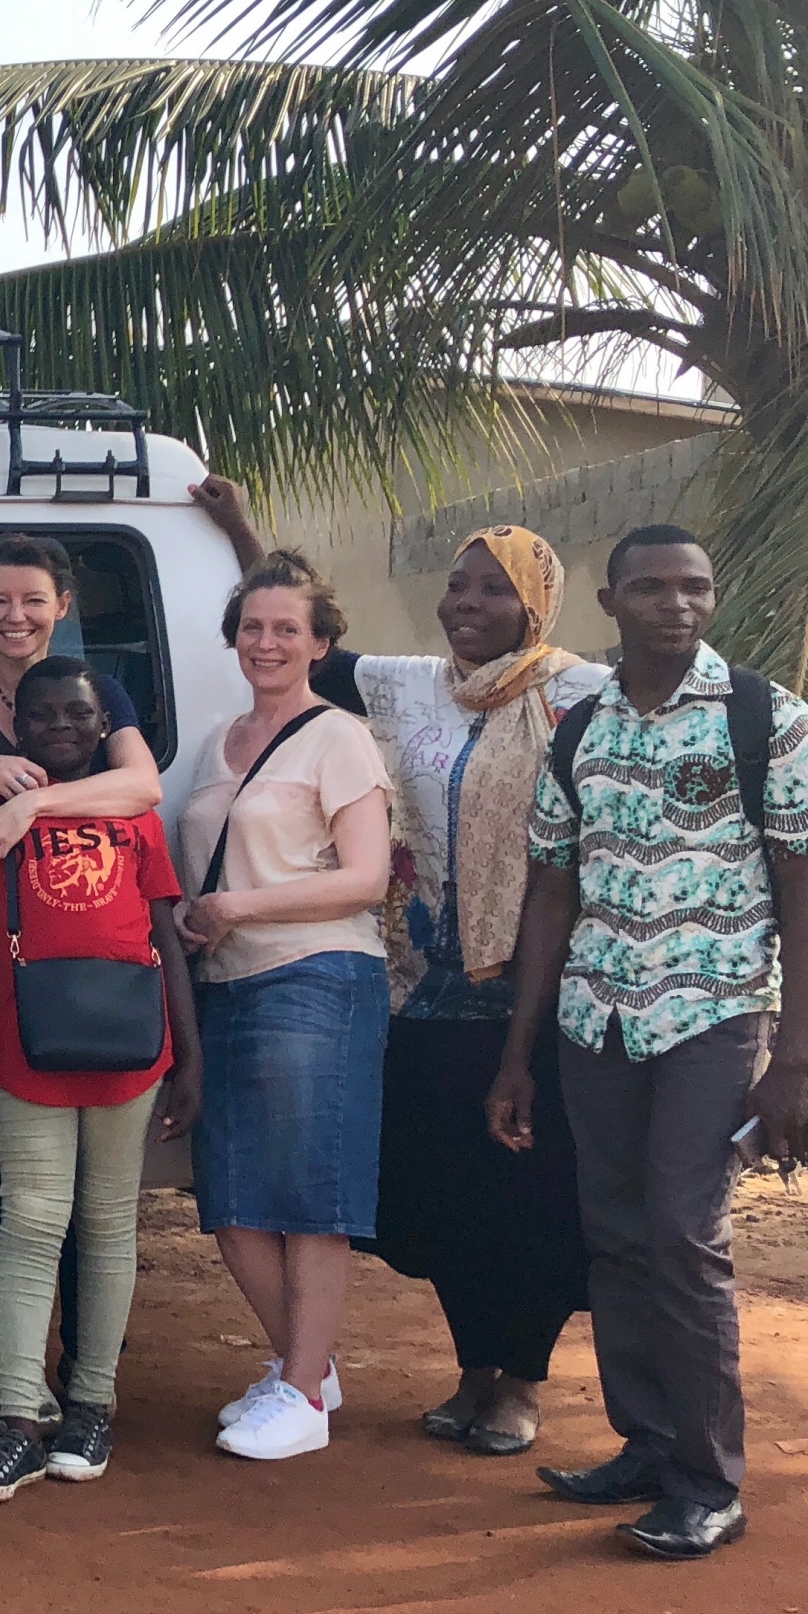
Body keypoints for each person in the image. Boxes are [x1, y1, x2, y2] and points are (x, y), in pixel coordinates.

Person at [491, 525, 808, 1561]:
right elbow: (553, 889)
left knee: (686, 1239)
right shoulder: (580, 726)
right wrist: (519, 1051)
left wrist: (792, 1058)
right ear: (611, 603)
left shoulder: (767, 719)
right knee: (615, 1232)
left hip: (713, 1016)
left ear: (713, 597)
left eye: (694, 587)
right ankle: (646, 1444)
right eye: (652, 588)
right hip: (595, 1018)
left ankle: (709, 1480)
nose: (675, 605)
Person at [261, 514, 605, 1458]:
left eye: (494, 589)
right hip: (420, 992)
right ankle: (471, 1372)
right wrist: (235, 529)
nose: (468, 604)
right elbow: (299, 638)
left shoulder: (587, 694)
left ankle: (522, 1382)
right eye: (459, 585)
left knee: (528, 1194)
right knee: (446, 1191)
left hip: (534, 994)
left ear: (536, 602)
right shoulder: (410, 685)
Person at [0, 660, 203, 1500]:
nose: (59, 727)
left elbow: (168, 940)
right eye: (41, 715)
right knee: (31, 1221)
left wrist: (192, 1058)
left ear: (101, 721)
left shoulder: (131, 809)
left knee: (111, 1223)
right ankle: (17, 1419)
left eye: (77, 714)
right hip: (25, 1050)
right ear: (17, 725)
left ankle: (91, 1406)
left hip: (131, 1052)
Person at [0, 532, 163, 1374]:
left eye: (32, 600)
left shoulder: (104, 693)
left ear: (63, 606)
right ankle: (7, 1354)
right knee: (12, 1180)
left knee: (96, 1194)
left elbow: (141, 789)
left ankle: (92, 1348)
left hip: (96, 973)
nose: (15, 617)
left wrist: (30, 809)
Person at [179, 551, 394, 1463]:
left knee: (309, 1193)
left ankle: (302, 1391)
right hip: (226, 984)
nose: (266, 643)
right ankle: (308, 1365)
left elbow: (367, 877)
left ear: (321, 643)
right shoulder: (218, 740)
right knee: (230, 1197)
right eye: (253, 627)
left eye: (286, 629)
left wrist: (240, 907)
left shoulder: (336, 734)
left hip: (317, 973)